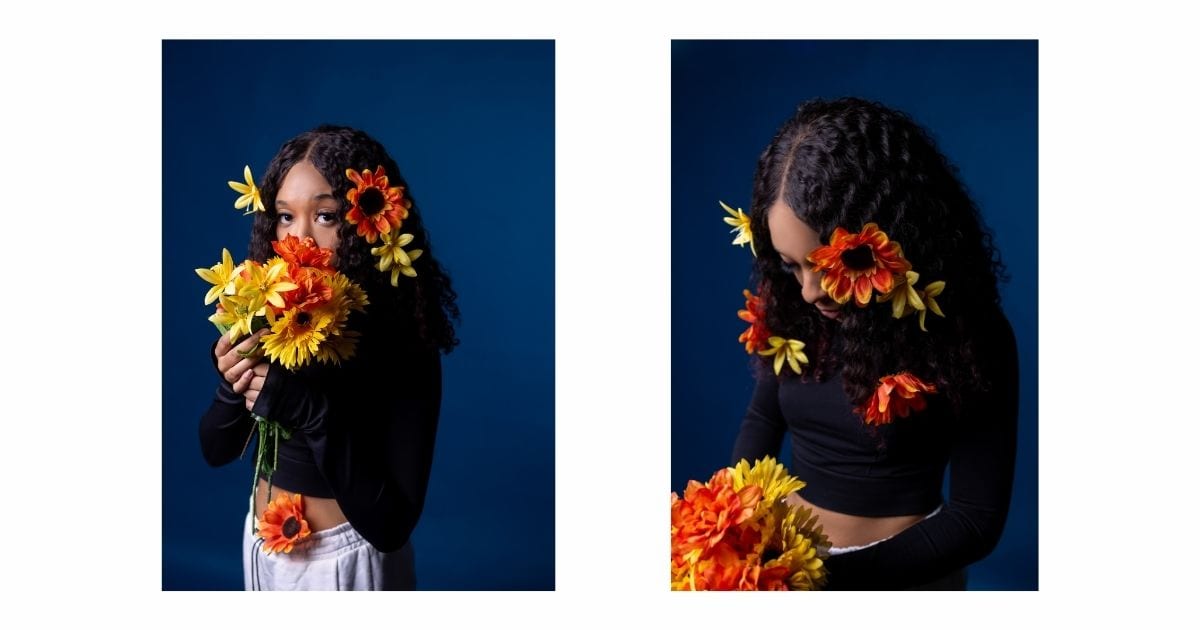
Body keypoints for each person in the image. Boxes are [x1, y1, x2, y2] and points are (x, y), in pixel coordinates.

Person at [729, 98, 1019, 590]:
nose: (808, 291)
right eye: (790, 264)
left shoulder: (967, 334)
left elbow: (975, 521)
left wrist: (828, 582)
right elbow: (763, 418)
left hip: (902, 579)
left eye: (822, 266)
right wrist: (736, 527)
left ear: (878, 240)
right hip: (786, 562)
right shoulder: (792, 309)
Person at [199, 125, 459, 590]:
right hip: (260, 548)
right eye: (284, 217)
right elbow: (215, 451)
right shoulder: (274, 316)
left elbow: (390, 527)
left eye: (324, 216)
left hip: (342, 564)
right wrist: (231, 384)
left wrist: (311, 412)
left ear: (367, 219)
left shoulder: (403, 342)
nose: (300, 239)